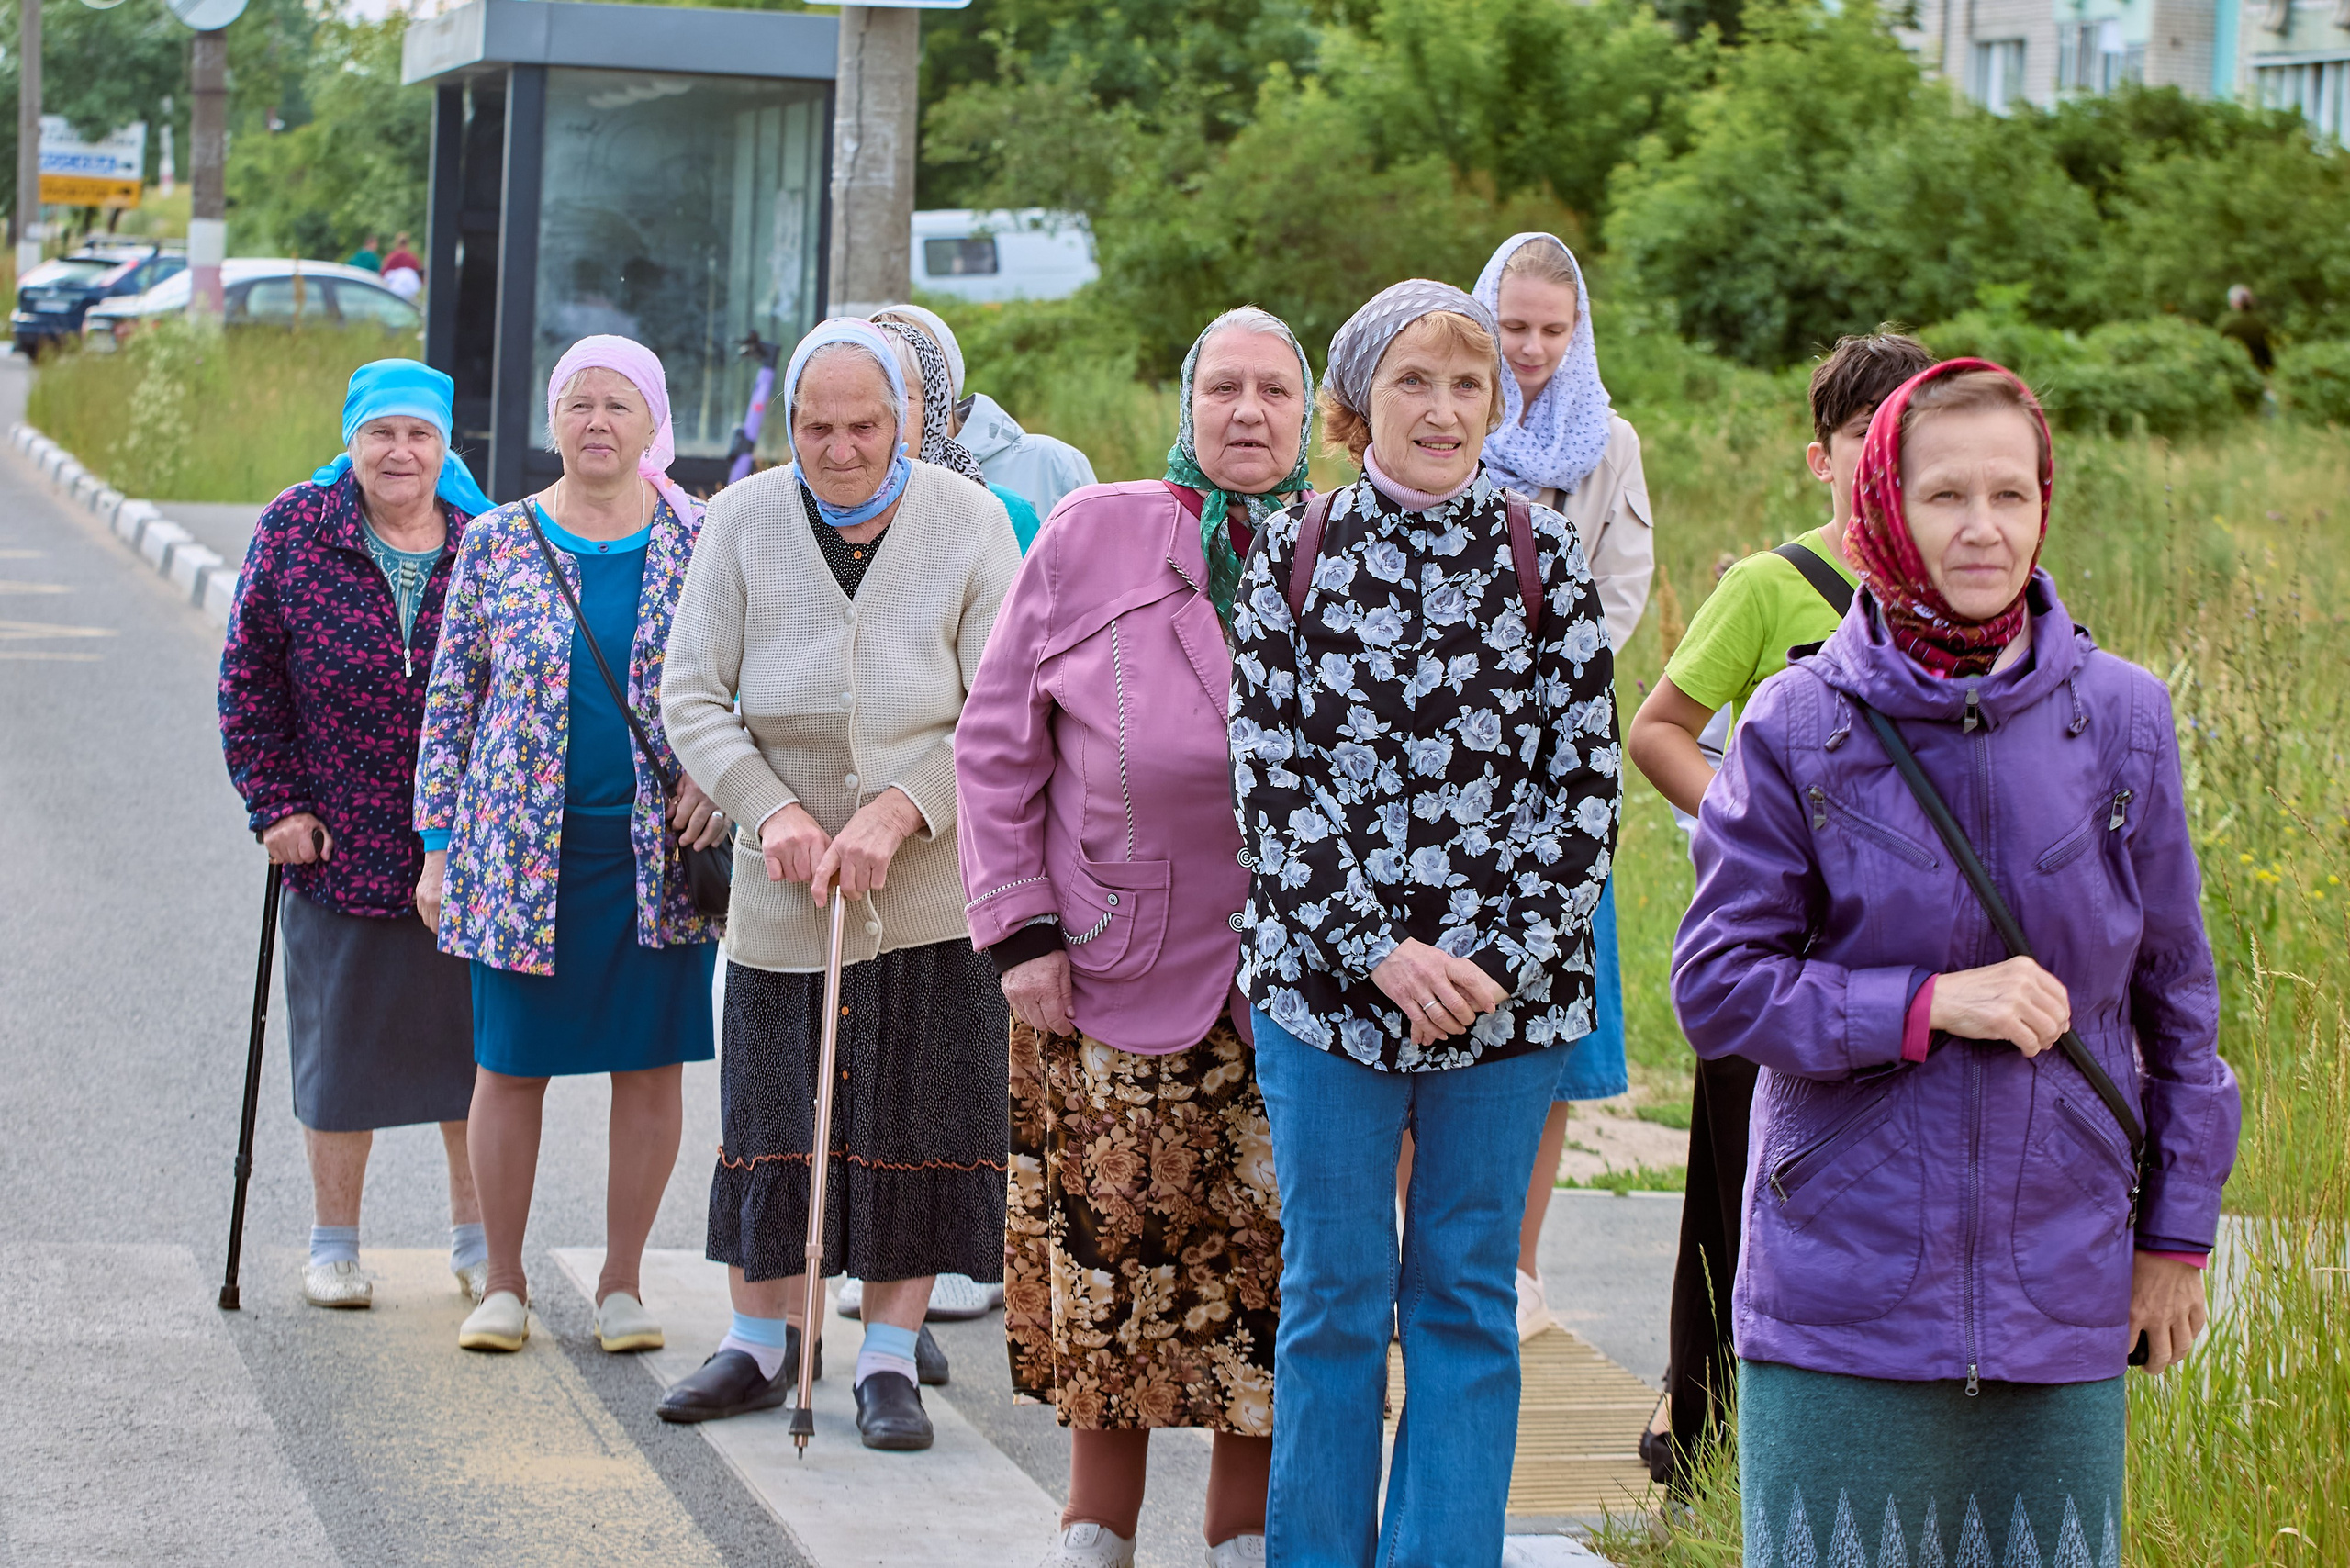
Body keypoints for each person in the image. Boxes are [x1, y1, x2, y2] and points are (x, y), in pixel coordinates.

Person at [1673, 359, 2239, 1561]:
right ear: (1882, 503)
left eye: (2011, 494)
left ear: (2045, 505)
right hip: (1840, 1288)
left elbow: (2179, 1003)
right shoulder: (1796, 722)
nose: (1983, 528)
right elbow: (1720, 989)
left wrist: (2177, 1240)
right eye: (1945, 496)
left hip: (2065, 1280)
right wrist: (1930, 1004)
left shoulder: (2124, 717)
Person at [1228, 279, 1619, 1567]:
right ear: (1355, 407)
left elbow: (1585, 783)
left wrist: (1493, 962)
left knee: (1463, 1301)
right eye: (1414, 382)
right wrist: (1379, 952)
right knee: (1332, 1300)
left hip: (1509, 1012)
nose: (1444, 410)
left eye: (1468, 385)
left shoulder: (1542, 552)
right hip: (1328, 1002)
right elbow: (1269, 782)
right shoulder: (1292, 549)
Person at [957, 306, 1312, 1568]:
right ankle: (1095, 1528)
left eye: (1275, 389)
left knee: (1269, 1282)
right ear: (1187, 402)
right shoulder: (1094, 532)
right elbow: (995, 743)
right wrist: (1021, 932)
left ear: (1312, 415)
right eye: (1225, 387)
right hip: (1108, 963)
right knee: (1116, 1261)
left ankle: (1241, 1537)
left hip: (1295, 985)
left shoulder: (1346, 546)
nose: (1248, 413)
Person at [658, 318, 1020, 1450]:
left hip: (923, 891)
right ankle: (761, 1342)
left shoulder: (969, 522)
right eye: (816, 425)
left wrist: (900, 806)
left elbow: (1001, 703)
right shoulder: (742, 518)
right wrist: (771, 810)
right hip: (784, 886)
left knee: (914, 1110)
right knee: (774, 1106)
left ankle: (885, 1357)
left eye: (864, 424)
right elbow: (693, 693)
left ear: (908, 422)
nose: (840, 447)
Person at [1624, 330, 1933, 1488]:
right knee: (1732, 1198)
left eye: (1909, 435)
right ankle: (1698, 1458)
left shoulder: (1966, 583)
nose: (1886, 461)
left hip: (1908, 970)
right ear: (1822, 456)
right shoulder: (1770, 587)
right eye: (1863, 438)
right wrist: (1750, 828)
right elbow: (1657, 728)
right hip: (1774, 957)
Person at [413, 335, 727, 1356]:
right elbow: (451, 699)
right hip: (518, 857)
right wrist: (437, 844)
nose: (597, 422)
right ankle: (501, 1282)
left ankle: (623, 1284)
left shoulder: (700, 537)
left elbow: (745, 678)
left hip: (656, 855)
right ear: (553, 421)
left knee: (649, 1068)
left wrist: (721, 779)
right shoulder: (497, 540)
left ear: (653, 425)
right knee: (510, 1065)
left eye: (619, 404)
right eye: (579, 403)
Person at [219, 360, 498, 1311]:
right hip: (332, 844)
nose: (400, 451)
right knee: (337, 1054)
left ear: (444, 445)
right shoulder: (297, 531)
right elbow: (248, 679)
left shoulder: (485, 542)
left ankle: (477, 1239)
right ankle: (332, 1241)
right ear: (352, 441)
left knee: (475, 1056)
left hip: (459, 853)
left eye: (419, 434)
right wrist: (277, 803)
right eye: (381, 433)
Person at [1471, 230, 1654, 1342]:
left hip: (1553, 759)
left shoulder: (1608, 444)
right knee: (1427, 1021)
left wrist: (1543, 672)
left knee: (1545, 1038)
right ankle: (1421, 1252)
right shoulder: (1438, 411)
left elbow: (1622, 589)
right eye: (1515, 327)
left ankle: (1521, 1269)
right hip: (1435, 759)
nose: (1531, 350)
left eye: (1552, 329)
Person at [872, 307, 1046, 552]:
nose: (881, 413)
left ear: (936, 402)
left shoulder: (1003, 511)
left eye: (903, 396)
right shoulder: (830, 509)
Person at [2217, 284, 2274, 375]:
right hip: (2265, 369)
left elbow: (2220, 343)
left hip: (2239, 371)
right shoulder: (2260, 319)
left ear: (2233, 302)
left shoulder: (2227, 321)